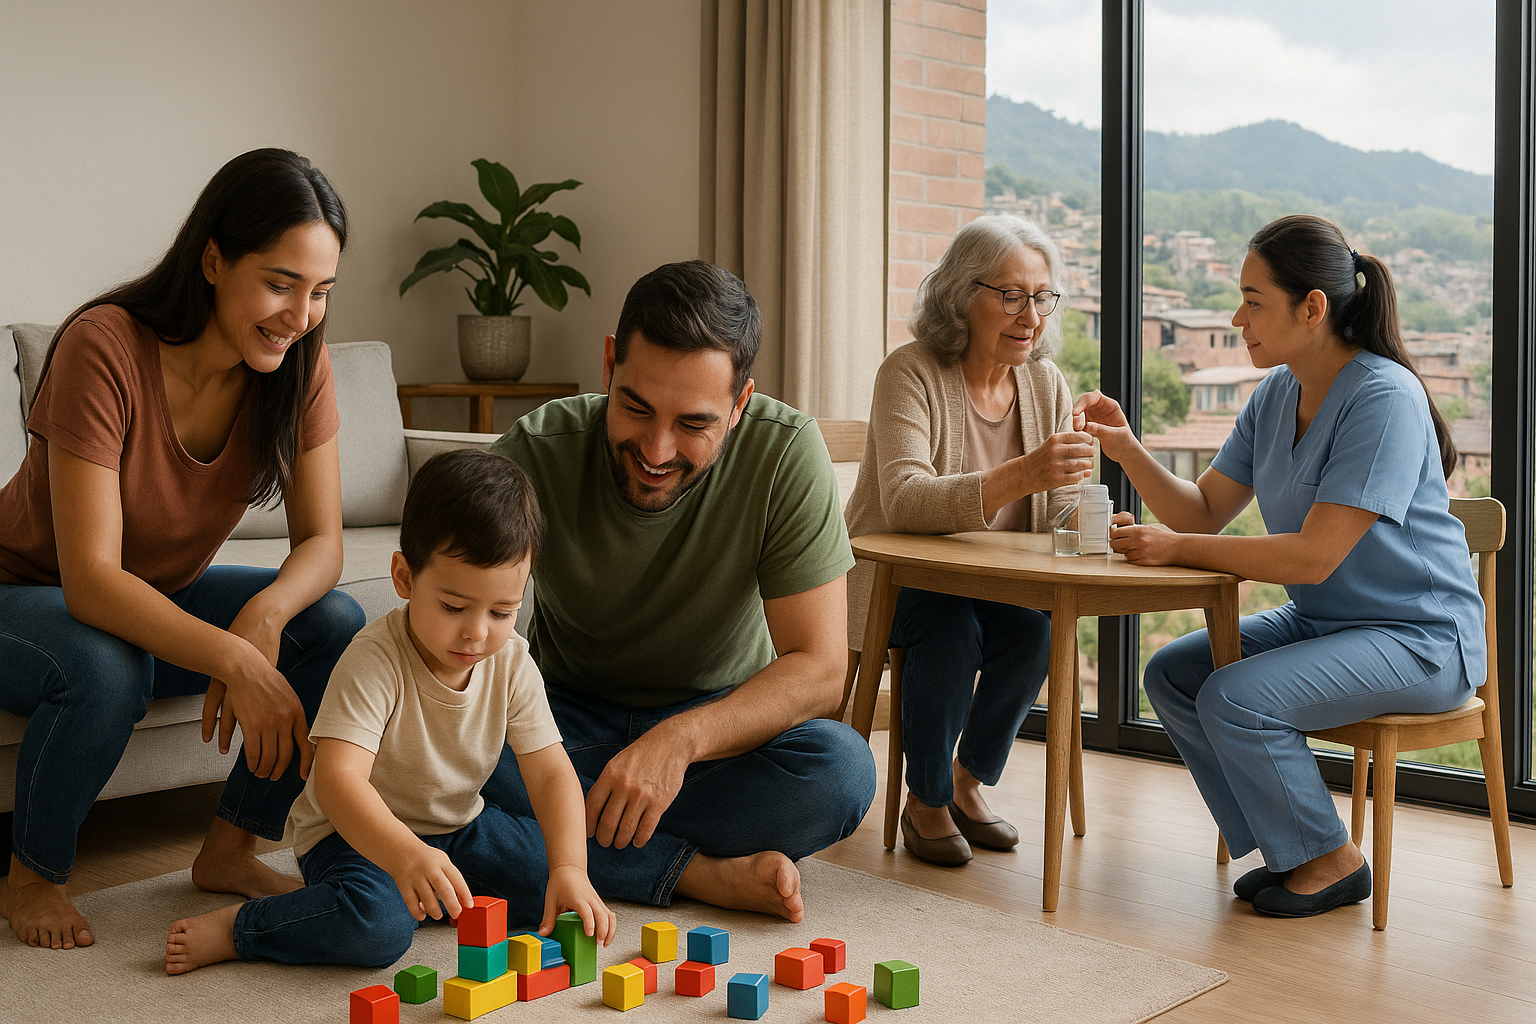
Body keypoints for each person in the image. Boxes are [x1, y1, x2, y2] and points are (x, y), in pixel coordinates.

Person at [0, 149, 366, 950]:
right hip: (22, 598)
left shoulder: (300, 366)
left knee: (332, 622)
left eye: (320, 293)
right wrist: (236, 660)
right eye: (279, 283)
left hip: (144, 604)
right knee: (106, 662)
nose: (300, 315)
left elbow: (323, 542)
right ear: (212, 259)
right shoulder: (105, 345)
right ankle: (31, 873)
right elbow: (92, 583)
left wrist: (266, 615)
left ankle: (230, 848)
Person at [1074, 214, 1485, 918]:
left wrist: (1175, 550)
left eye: (1253, 300)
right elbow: (1202, 510)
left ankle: (1331, 858)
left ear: (1312, 308)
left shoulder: (1383, 396)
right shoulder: (1273, 396)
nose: (1238, 318)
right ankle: (1295, 848)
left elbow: (1314, 555)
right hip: (1330, 625)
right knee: (1173, 673)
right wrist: (1128, 448)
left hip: (1420, 638)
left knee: (1236, 696)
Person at [484, 260, 875, 922]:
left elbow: (820, 671)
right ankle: (691, 873)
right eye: (635, 406)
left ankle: (555, 850)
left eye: (693, 424)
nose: (656, 449)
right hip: (558, 728)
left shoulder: (785, 453)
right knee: (442, 765)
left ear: (741, 403)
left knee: (840, 772)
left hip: (718, 735)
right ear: (609, 364)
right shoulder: (536, 451)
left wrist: (681, 741)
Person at [164, 450, 614, 973]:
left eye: (501, 611)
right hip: (354, 836)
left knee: (553, 879)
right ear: (403, 577)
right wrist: (403, 854)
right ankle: (242, 929)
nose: (476, 632)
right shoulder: (374, 657)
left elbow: (551, 772)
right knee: (376, 927)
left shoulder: (510, 658)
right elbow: (336, 781)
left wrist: (570, 868)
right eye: (453, 607)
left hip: (457, 826)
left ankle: (433, 890)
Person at [843, 214, 1093, 867]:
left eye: (1041, 298)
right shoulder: (911, 371)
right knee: (949, 625)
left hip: (993, 584)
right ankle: (923, 801)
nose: (1029, 316)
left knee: (1033, 632)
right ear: (961, 295)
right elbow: (903, 498)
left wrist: (1100, 523)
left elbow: (1060, 509)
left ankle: (965, 782)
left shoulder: (1045, 382)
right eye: (1010, 295)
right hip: (896, 582)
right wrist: (1024, 473)